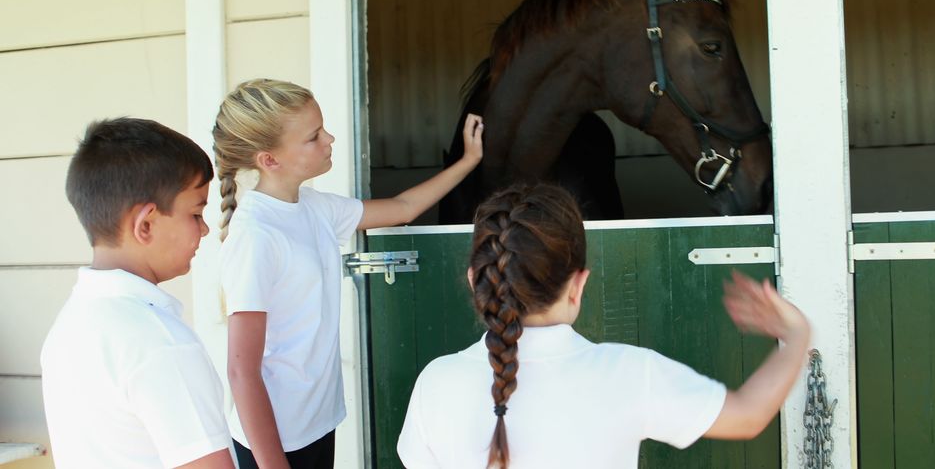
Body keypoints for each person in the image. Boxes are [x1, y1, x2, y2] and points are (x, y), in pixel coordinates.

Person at [397, 183, 812, 468]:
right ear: (578, 285)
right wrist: (796, 338)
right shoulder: (630, 373)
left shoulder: (436, 382)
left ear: (475, 280)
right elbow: (748, 416)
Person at [212, 79, 484, 469]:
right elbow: (242, 371)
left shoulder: (315, 207)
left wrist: (469, 161)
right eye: (313, 137)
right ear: (269, 160)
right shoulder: (256, 235)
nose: (330, 138)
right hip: (274, 439)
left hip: (317, 421)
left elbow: (404, 207)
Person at [41, 118, 232, 468]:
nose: (204, 229)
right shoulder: (160, 343)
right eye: (196, 212)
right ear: (145, 224)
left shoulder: (70, 324)